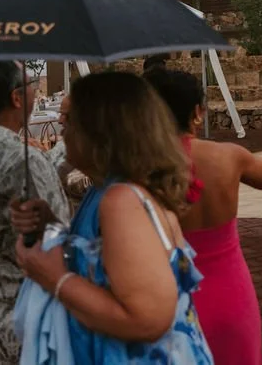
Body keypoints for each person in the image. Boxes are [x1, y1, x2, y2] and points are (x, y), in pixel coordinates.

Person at [13, 71, 213, 362]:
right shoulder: (108, 190)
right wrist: (50, 224)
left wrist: (53, 277)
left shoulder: (121, 201)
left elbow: (148, 319)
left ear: (99, 134)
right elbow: (105, 259)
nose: (62, 129)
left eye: (71, 121)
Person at [143, 68, 262, 364]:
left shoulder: (140, 169)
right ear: (197, 111)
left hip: (170, 296)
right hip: (231, 293)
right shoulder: (228, 155)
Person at [0, 62, 69, 364]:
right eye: (33, 87)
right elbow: (59, 241)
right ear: (16, 98)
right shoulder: (20, 159)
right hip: (16, 325)